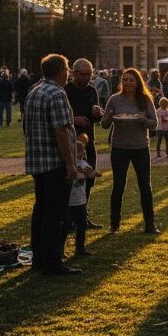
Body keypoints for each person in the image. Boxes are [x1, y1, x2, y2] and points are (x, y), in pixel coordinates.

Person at [24, 54, 80, 275]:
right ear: (60, 71)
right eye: (67, 69)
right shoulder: (57, 93)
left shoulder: (34, 90)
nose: (68, 73)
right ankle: (53, 261)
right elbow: (61, 130)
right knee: (56, 214)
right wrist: (69, 163)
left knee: (41, 211)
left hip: (37, 160)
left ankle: (39, 258)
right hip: (54, 162)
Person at [100, 68, 159, 234]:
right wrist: (109, 115)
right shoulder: (114, 99)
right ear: (121, 82)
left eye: (131, 80)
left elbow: (154, 123)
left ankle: (149, 224)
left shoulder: (145, 100)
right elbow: (104, 125)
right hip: (119, 147)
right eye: (125, 80)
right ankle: (114, 225)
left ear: (137, 82)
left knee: (145, 186)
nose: (128, 83)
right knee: (118, 186)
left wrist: (142, 120)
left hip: (140, 147)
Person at [65, 59, 104, 229]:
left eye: (90, 74)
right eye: (83, 74)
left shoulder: (91, 90)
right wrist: (74, 119)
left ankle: (83, 217)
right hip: (71, 143)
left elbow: (94, 117)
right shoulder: (66, 91)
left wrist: (98, 113)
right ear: (74, 73)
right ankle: (70, 218)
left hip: (89, 141)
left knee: (89, 179)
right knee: (72, 181)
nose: (87, 77)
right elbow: (59, 119)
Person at [65, 135, 100, 257]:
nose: (81, 154)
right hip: (69, 201)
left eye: (82, 152)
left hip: (80, 201)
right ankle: (59, 250)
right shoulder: (68, 165)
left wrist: (93, 173)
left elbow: (90, 173)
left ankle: (80, 249)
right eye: (78, 152)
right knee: (65, 226)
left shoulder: (84, 164)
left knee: (82, 225)